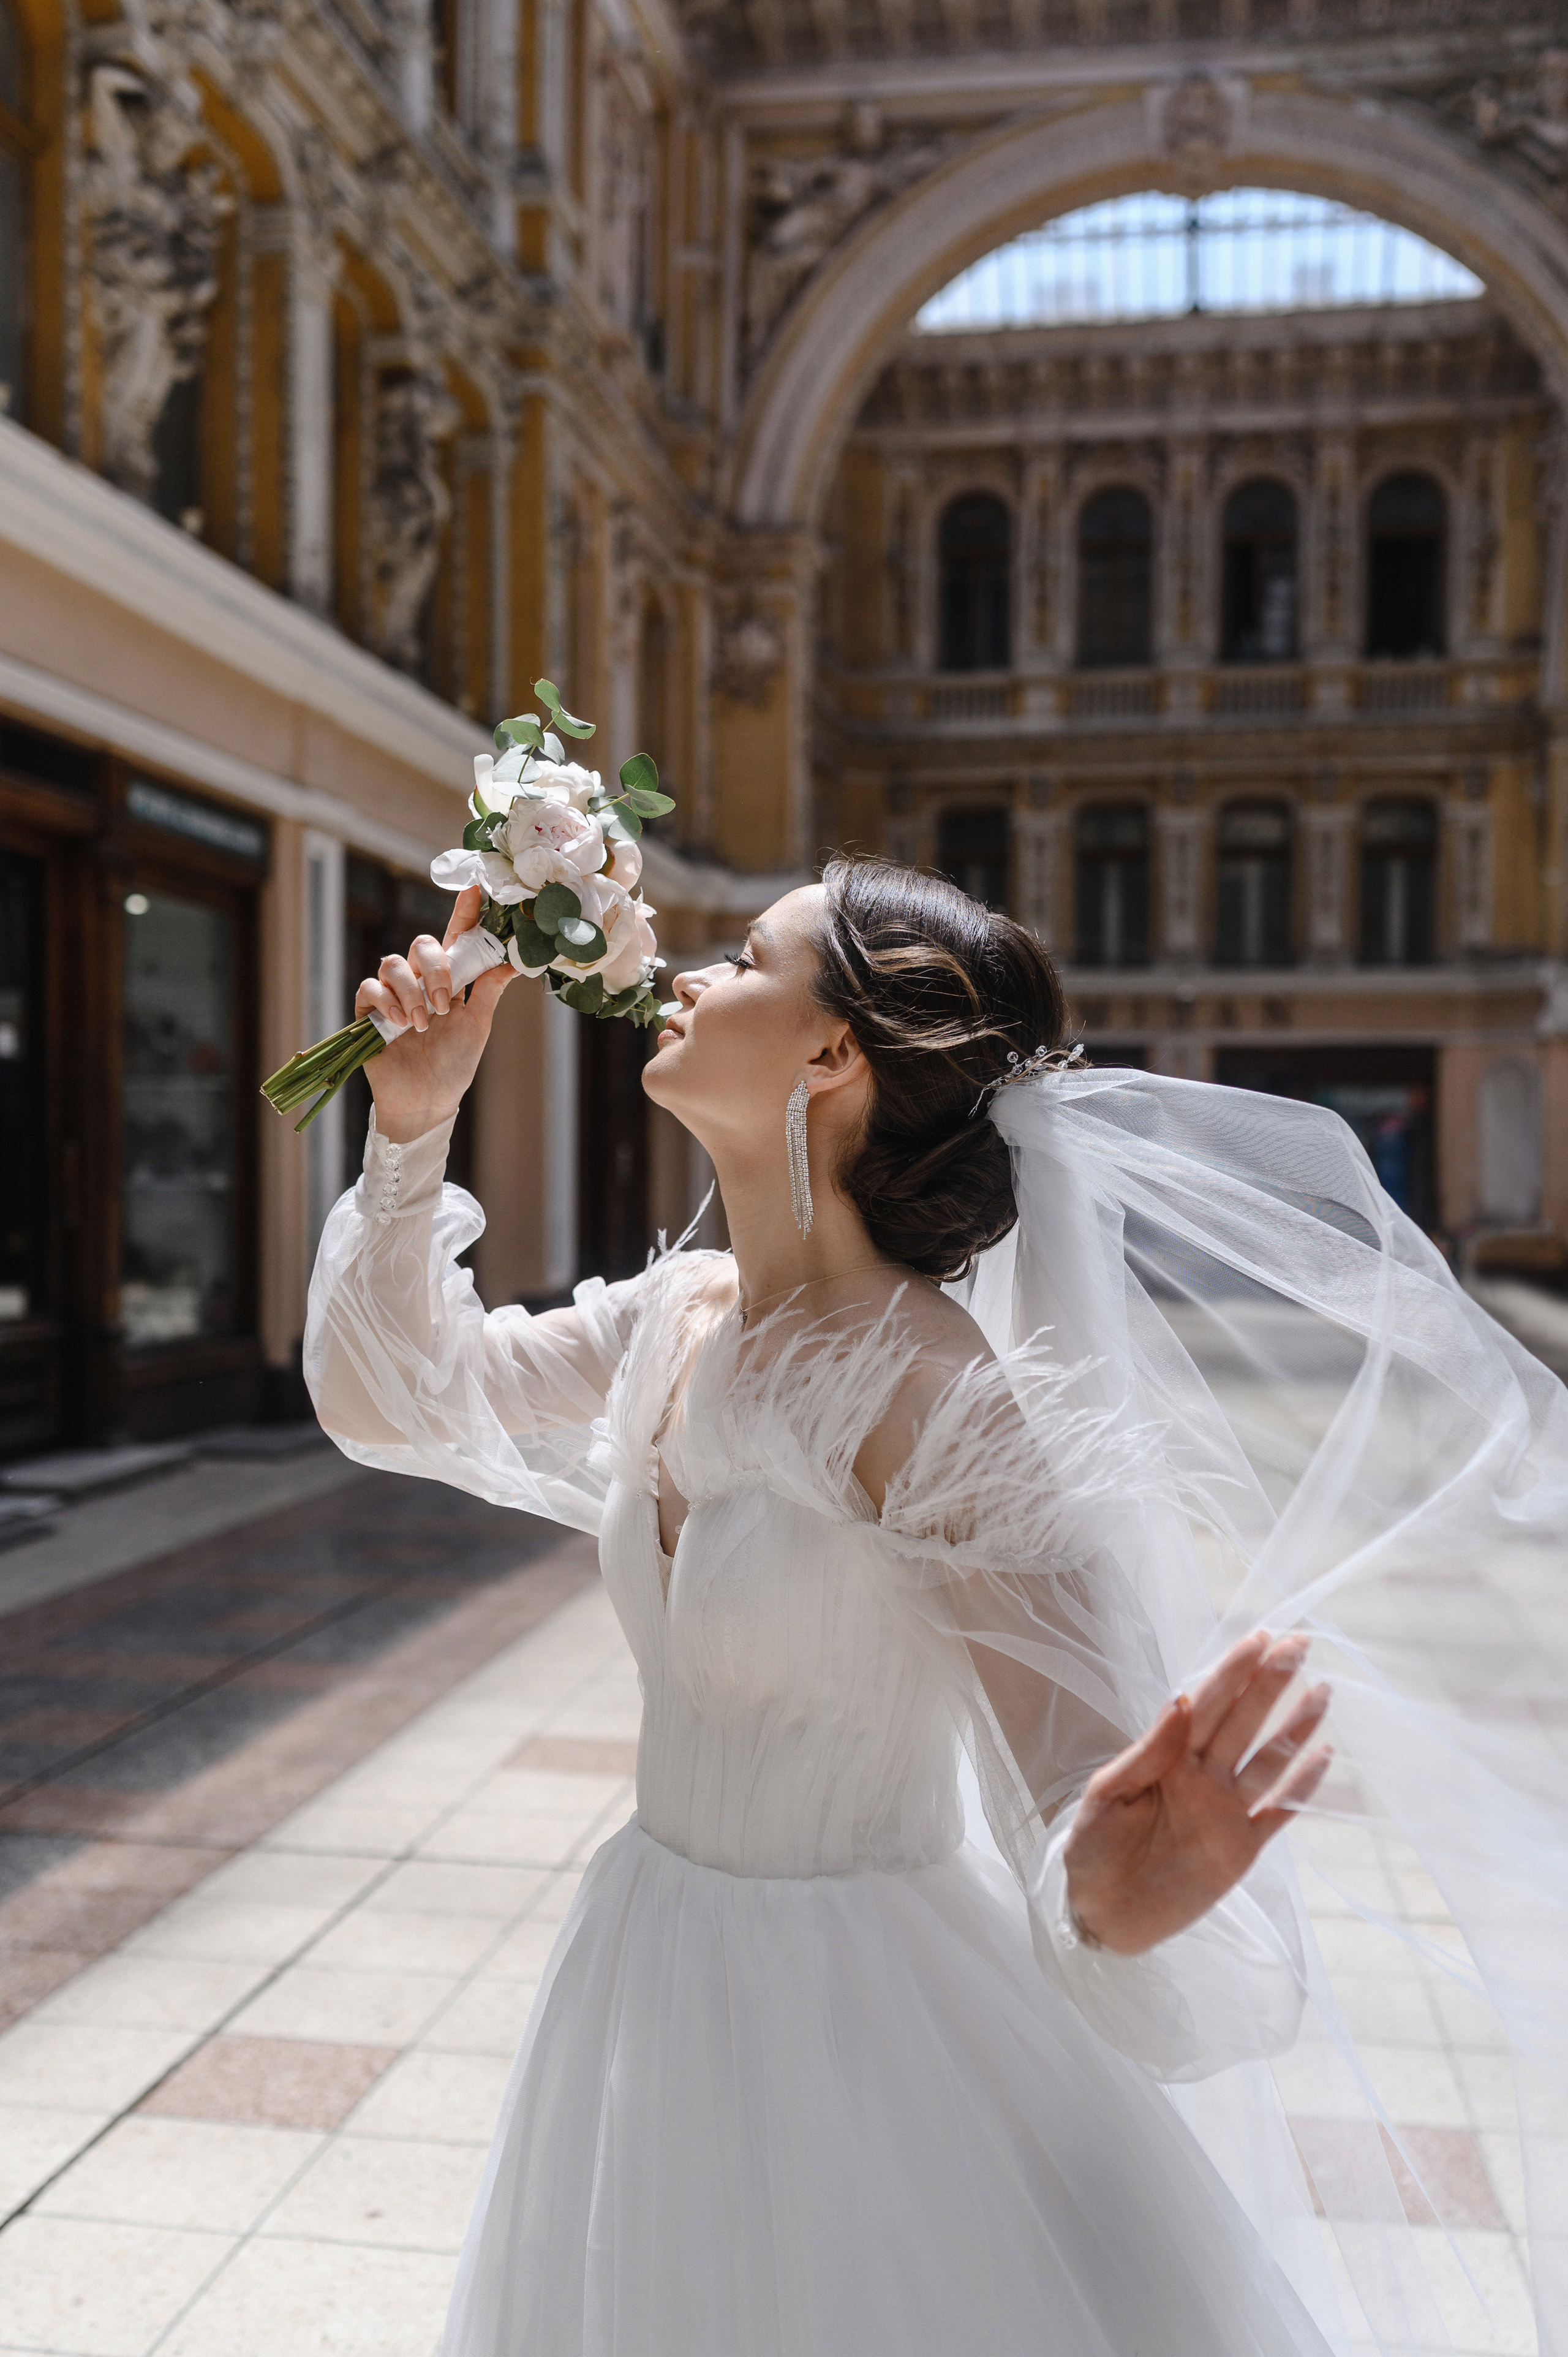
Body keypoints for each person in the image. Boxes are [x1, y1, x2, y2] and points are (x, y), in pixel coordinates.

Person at [307, 858, 1568, 2357]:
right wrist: (407, 1121)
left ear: (833, 1054)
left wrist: (1118, 1888)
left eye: (749, 958)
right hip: (648, 1956)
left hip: (858, 2032)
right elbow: (396, 1398)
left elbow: (1072, 1805)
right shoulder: (681, 1313)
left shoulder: (938, 1398)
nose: (691, 977)